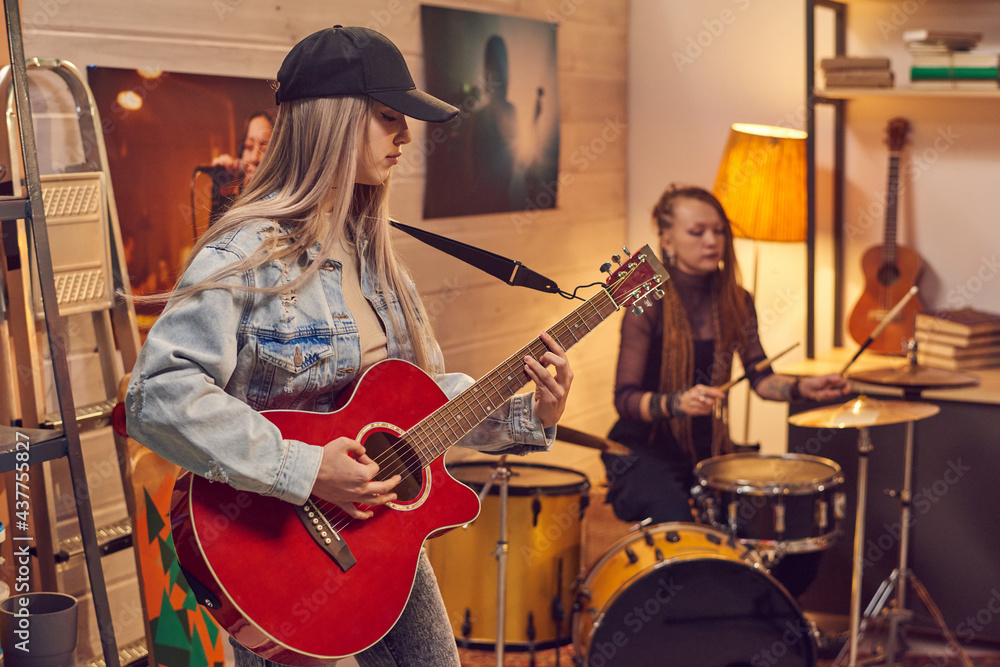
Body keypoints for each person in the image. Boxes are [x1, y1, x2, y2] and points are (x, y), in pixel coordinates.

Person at [125, 25, 573, 667]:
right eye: (389, 117)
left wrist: (532, 417)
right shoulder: (242, 254)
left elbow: (417, 403)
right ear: (333, 122)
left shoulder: (377, 260)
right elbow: (157, 396)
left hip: (378, 540)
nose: (406, 137)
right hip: (275, 556)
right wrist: (307, 470)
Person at [602, 183, 848, 595]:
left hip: (710, 450)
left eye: (719, 231)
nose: (712, 241)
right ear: (667, 240)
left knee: (785, 525)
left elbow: (762, 379)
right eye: (697, 232)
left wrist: (806, 388)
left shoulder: (738, 299)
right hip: (640, 452)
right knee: (681, 527)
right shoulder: (646, 300)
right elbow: (624, 400)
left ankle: (750, 624)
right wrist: (676, 403)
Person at [207, 109, 275, 222]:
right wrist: (224, 196)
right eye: (249, 147)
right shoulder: (237, 205)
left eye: (264, 148)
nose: (254, 158)